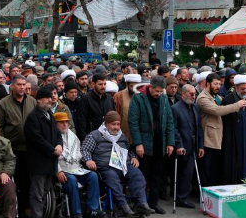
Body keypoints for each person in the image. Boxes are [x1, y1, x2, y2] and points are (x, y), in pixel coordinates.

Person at [81, 111, 154, 217]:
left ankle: (141, 203)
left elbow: (129, 150)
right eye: (113, 124)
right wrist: (88, 160)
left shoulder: (122, 136)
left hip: (123, 165)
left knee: (137, 174)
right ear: (106, 124)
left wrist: (133, 157)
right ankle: (123, 206)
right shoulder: (95, 135)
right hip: (106, 167)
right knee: (113, 178)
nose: (116, 127)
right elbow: (84, 150)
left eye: (118, 124)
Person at [128, 76, 175, 214]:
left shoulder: (164, 99)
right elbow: (133, 123)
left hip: (160, 142)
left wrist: (170, 142)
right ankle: (140, 203)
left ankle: (153, 203)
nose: (158, 94)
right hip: (144, 142)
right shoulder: (138, 98)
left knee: (157, 175)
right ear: (151, 87)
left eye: (161, 92)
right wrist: (138, 143)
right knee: (142, 175)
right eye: (157, 91)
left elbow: (170, 122)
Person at [0, 74, 36, 217]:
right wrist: (4, 145)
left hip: (30, 148)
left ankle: (28, 208)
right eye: (19, 85)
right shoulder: (3, 104)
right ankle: (18, 208)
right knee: (17, 181)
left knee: (30, 181)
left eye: (24, 85)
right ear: (12, 86)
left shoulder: (32, 101)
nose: (22, 87)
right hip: (12, 149)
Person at [196, 72, 246, 187]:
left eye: (219, 84)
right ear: (208, 84)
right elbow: (217, 110)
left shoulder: (217, 97)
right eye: (215, 84)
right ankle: (205, 195)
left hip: (218, 138)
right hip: (208, 139)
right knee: (207, 170)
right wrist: (236, 105)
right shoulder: (202, 98)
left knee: (215, 170)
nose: (218, 86)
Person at [54, 112, 105, 218]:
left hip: (75, 167)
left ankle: (93, 210)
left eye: (66, 122)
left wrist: (75, 159)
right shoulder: (52, 137)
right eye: (61, 122)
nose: (65, 125)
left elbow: (79, 152)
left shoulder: (73, 136)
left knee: (93, 176)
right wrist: (58, 171)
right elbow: (52, 159)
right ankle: (77, 213)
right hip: (63, 170)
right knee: (71, 179)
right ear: (55, 124)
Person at [24, 86, 63, 218]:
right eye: (46, 98)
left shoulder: (50, 115)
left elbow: (57, 134)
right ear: (38, 100)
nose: (49, 100)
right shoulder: (32, 118)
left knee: (45, 192)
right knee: (37, 195)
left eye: (50, 98)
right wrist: (53, 150)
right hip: (38, 163)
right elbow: (36, 139)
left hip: (49, 163)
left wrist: (59, 145)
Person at [171, 84, 204, 208]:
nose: (194, 96)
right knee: (182, 173)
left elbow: (198, 128)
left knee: (188, 173)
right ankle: (180, 197)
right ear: (184, 94)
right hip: (182, 146)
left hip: (193, 145)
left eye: (194, 94)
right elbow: (174, 129)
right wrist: (178, 145)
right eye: (191, 94)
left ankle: (182, 197)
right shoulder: (175, 108)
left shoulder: (195, 107)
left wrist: (200, 146)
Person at [77, 74, 115, 141]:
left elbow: (113, 117)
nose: (103, 87)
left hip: (108, 137)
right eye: (100, 84)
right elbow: (81, 120)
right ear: (93, 84)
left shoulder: (109, 99)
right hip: (92, 137)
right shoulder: (86, 99)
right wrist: (84, 138)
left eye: (104, 84)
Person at [114, 73, 140, 143]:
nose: (134, 88)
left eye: (136, 86)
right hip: (122, 134)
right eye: (132, 86)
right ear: (127, 84)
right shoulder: (118, 96)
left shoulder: (142, 95)